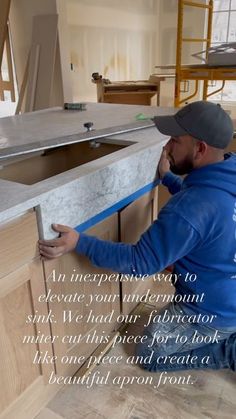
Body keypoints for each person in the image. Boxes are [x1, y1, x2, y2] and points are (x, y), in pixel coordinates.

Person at [39, 100, 236, 373]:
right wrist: (168, 179)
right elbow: (206, 212)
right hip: (228, 295)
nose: (166, 147)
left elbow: (139, 262)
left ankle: (228, 351)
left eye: (175, 141)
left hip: (211, 313)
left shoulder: (190, 209)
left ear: (200, 149)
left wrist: (79, 242)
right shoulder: (227, 176)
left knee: (149, 355)